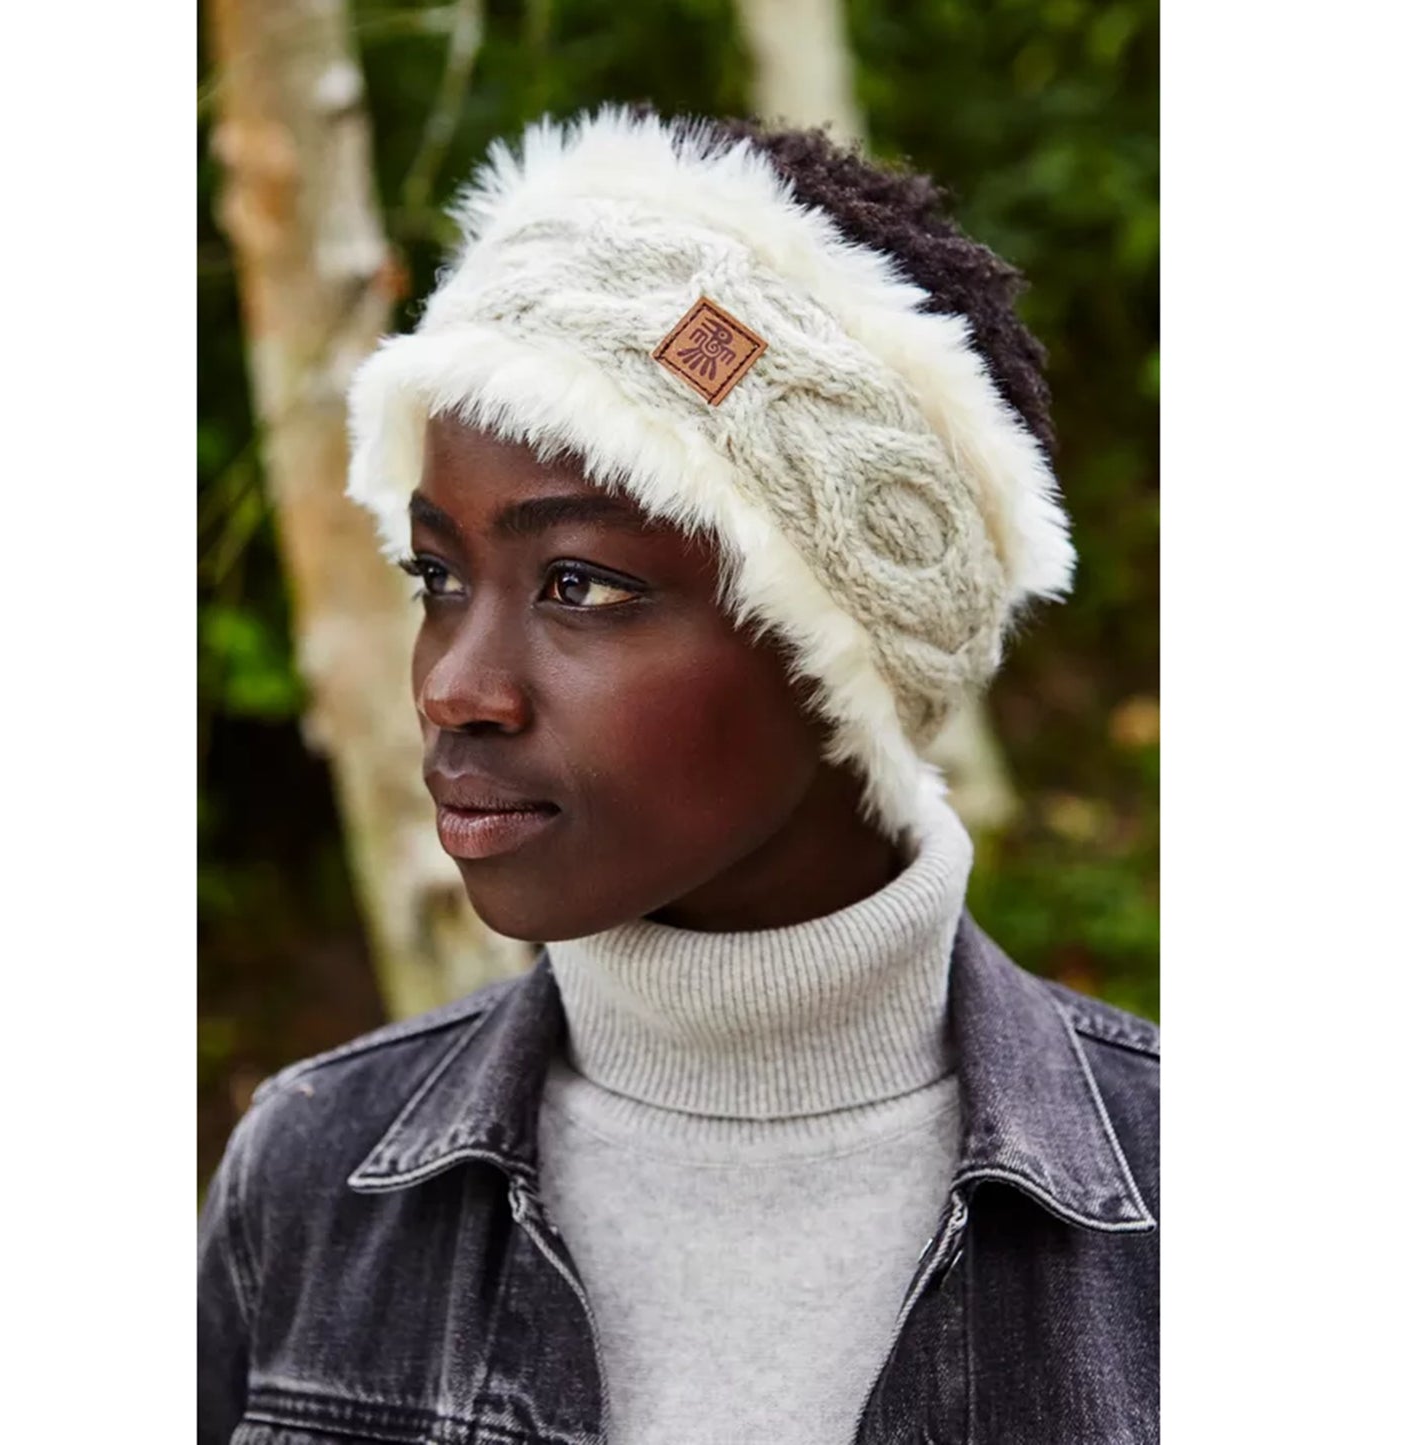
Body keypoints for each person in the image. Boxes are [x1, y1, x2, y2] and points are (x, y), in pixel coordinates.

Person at [198, 107, 1158, 1445]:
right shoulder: (312, 1177)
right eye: (437, 576)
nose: (455, 686)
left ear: (847, 640)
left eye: (580, 583)